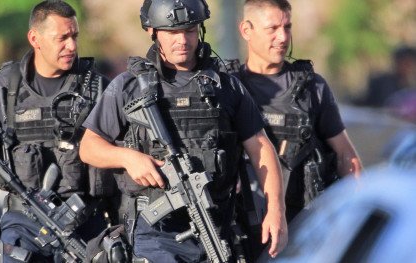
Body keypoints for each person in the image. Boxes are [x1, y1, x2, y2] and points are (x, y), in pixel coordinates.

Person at [79, 0, 288, 261]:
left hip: (216, 227)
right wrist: (129, 158)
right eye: (172, 32)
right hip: (155, 234)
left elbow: (261, 148)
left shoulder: (226, 87)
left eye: (190, 30)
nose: (183, 40)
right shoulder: (128, 86)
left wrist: (276, 210)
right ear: (152, 31)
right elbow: (89, 147)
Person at [0, 1, 112, 262]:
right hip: (24, 226)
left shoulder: (97, 88)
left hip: (84, 228)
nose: (72, 46)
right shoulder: (6, 89)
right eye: (62, 38)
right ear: (35, 38)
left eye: (75, 36)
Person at [235, 0, 363, 223]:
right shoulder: (226, 87)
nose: (283, 38)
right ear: (246, 30)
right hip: (242, 226)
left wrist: (356, 216)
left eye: (287, 27)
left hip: (302, 221)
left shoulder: (312, 87)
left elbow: (346, 157)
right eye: (272, 29)